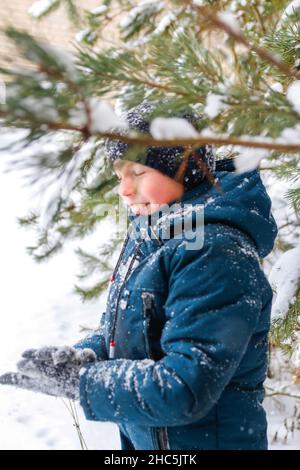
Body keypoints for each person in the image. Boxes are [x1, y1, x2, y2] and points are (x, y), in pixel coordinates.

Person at [0, 104, 278, 450]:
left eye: (138, 172)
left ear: (185, 168)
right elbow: (132, 332)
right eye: (120, 176)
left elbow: (184, 388)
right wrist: (86, 357)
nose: (124, 191)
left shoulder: (214, 251)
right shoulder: (153, 233)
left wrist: (84, 382)